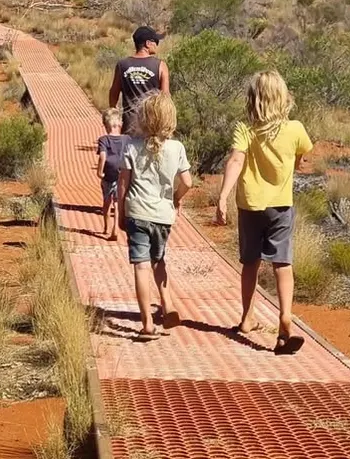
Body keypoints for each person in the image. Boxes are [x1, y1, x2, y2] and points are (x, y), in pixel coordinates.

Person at [216, 70, 313, 355]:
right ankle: (285, 316)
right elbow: (301, 160)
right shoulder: (295, 129)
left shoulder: (245, 129)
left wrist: (222, 196)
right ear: (283, 97)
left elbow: (235, 161)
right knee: (282, 263)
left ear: (254, 98)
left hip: (250, 205)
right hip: (281, 205)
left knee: (250, 263)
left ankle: (247, 317)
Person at [117, 92, 192, 341]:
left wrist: (121, 212)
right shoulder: (177, 148)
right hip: (163, 215)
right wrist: (176, 198)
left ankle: (147, 323)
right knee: (158, 261)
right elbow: (188, 182)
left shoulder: (131, 146)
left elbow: (122, 185)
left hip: (137, 212)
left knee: (141, 266)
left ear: (143, 118)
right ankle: (167, 304)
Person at [109, 26, 170, 134]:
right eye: (155, 41)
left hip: (129, 126)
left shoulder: (122, 65)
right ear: (147, 43)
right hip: (151, 127)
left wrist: (115, 116)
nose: (157, 45)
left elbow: (113, 94)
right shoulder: (160, 66)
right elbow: (165, 98)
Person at [96, 108, 127, 241]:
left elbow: (102, 156)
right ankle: (116, 227)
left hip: (108, 175)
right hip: (122, 174)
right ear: (120, 124)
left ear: (105, 125)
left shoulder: (103, 140)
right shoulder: (127, 139)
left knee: (107, 201)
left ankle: (106, 227)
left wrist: (99, 171)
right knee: (118, 203)